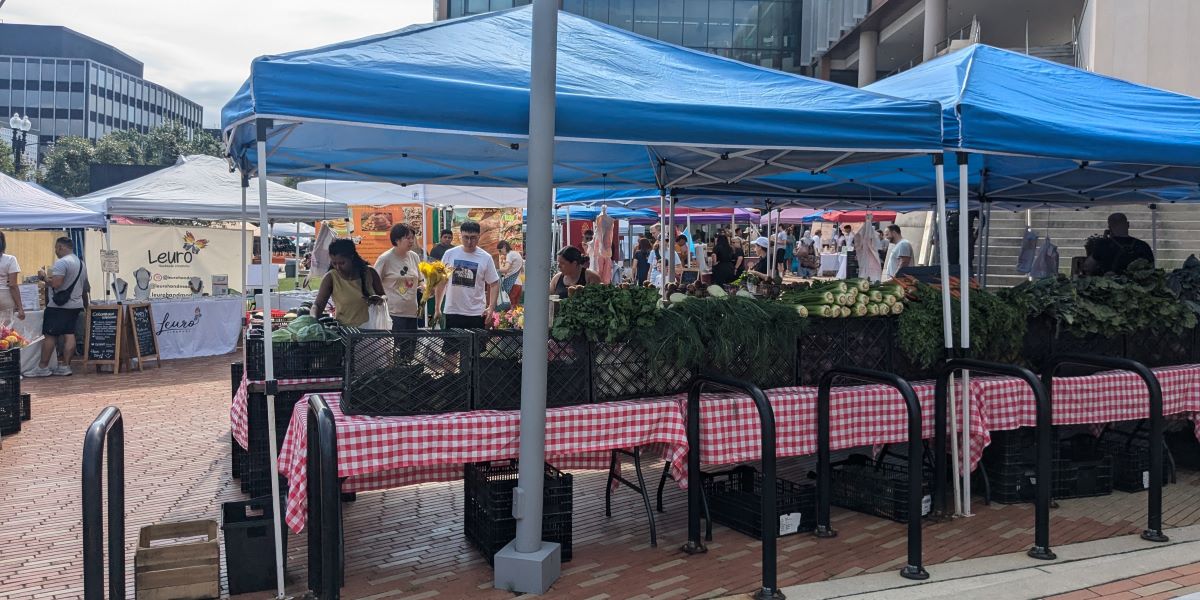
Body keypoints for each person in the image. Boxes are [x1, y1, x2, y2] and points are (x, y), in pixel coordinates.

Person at [29, 237, 88, 377]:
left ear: (61, 247)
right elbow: (85, 286)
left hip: (59, 306)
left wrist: (43, 278)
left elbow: (56, 284)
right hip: (75, 304)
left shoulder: (61, 263)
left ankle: (43, 367)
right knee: (70, 334)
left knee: (50, 335)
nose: (55, 251)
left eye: (56, 248)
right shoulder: (81, 263)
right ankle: (66, 366)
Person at [435, 221, 500, 329]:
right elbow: (441, 282)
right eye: (466, 237)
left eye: (473, 237)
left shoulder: (486, 257)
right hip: (453, 310)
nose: (469, 241)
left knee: (476, 345)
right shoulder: (450, 254)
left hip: (476, 312)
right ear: (460, 236)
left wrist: (491, 307)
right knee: (453, 346)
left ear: (479, 236)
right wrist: (437, 307)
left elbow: (494, 283)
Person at [314, 239, 385, 326]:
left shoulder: (370, 273)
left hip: (371, 330)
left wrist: (380, 299)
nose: (338, 267)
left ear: (352, 257)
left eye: (342, 263)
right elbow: (318, 304)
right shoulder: (331, 278)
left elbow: (383, 296)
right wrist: (312, 318)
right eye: (334, 263)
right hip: (344, 332)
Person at [374, 224, 422, 331]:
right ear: (397, 240)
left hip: (412, 312)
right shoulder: (385, 259)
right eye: (407, 238)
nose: (411, 241)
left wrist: (425, 287)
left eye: (412, 238)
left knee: (410, 347)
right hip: (393, 314)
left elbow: (420, 280)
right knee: (394, 347)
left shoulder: (414, 256)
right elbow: (373, 283)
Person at [1084, 213, 1155, 276]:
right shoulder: (1143, 245)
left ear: (1109, 228)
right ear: (1128, 224)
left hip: (1109, 289)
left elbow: (1088, 266)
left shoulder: (1102, 244)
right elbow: (1151, 269)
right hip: (1138, 289)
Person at [0, 232, 24, 321]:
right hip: (5, 296)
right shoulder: (10, 259)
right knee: (5, 331)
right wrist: (20, 307)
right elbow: (13, 285)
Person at [496, 240, 524, 309]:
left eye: (500, 251)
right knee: (515, 310)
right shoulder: (517, 254)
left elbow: (506, 269)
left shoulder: (510, 254)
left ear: (504, 247)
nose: (500, 254)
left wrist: (496, 270)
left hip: (512, 285)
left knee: (508, 309)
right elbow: (522, 270)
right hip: (519, 284)